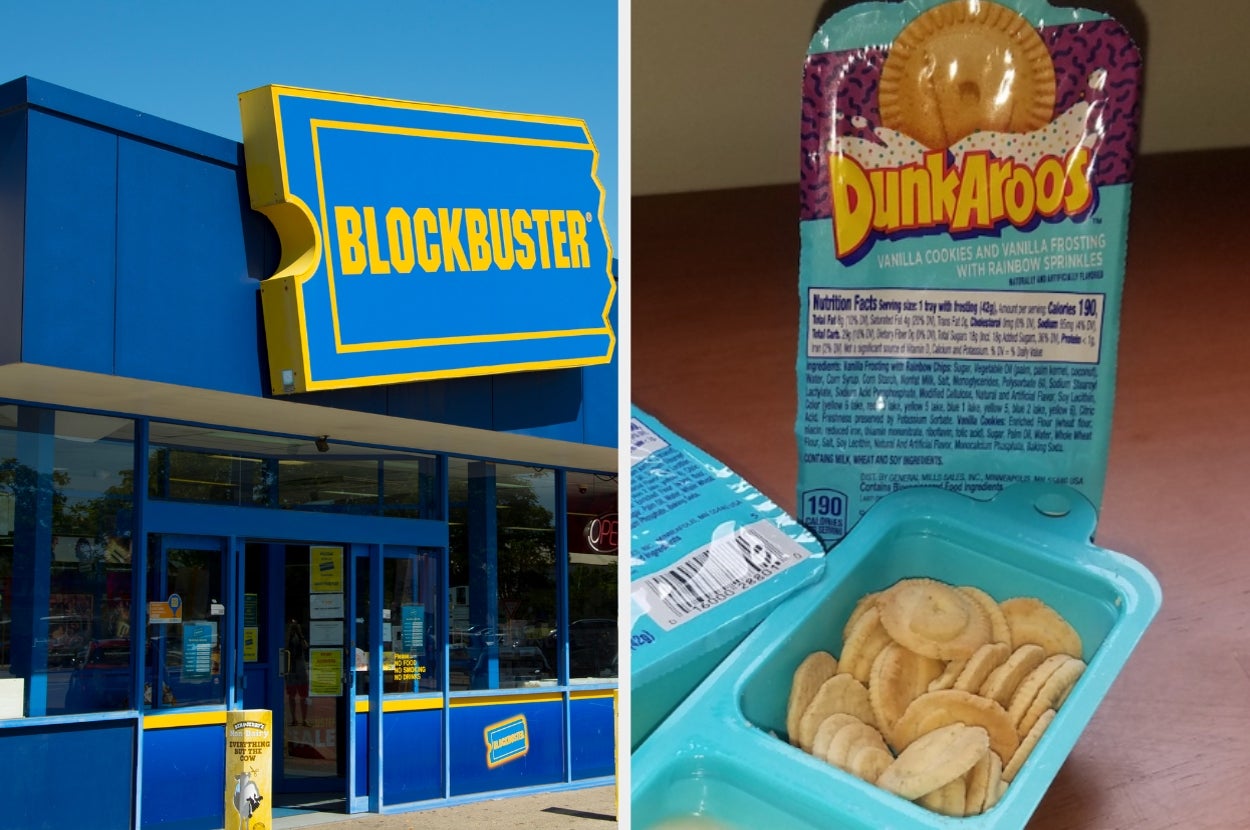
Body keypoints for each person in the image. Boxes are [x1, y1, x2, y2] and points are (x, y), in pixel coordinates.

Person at [285, 620, 310, 726]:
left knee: (303, 695)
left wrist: (300, 634)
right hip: (291, 668)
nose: (294, 626)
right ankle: (294, 719)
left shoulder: (301, 636)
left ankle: (304, 719)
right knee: (291, 695)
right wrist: (289, 632)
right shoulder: (287, 635)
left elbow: (306, 646)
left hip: (301, 667)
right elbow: (285, 647)